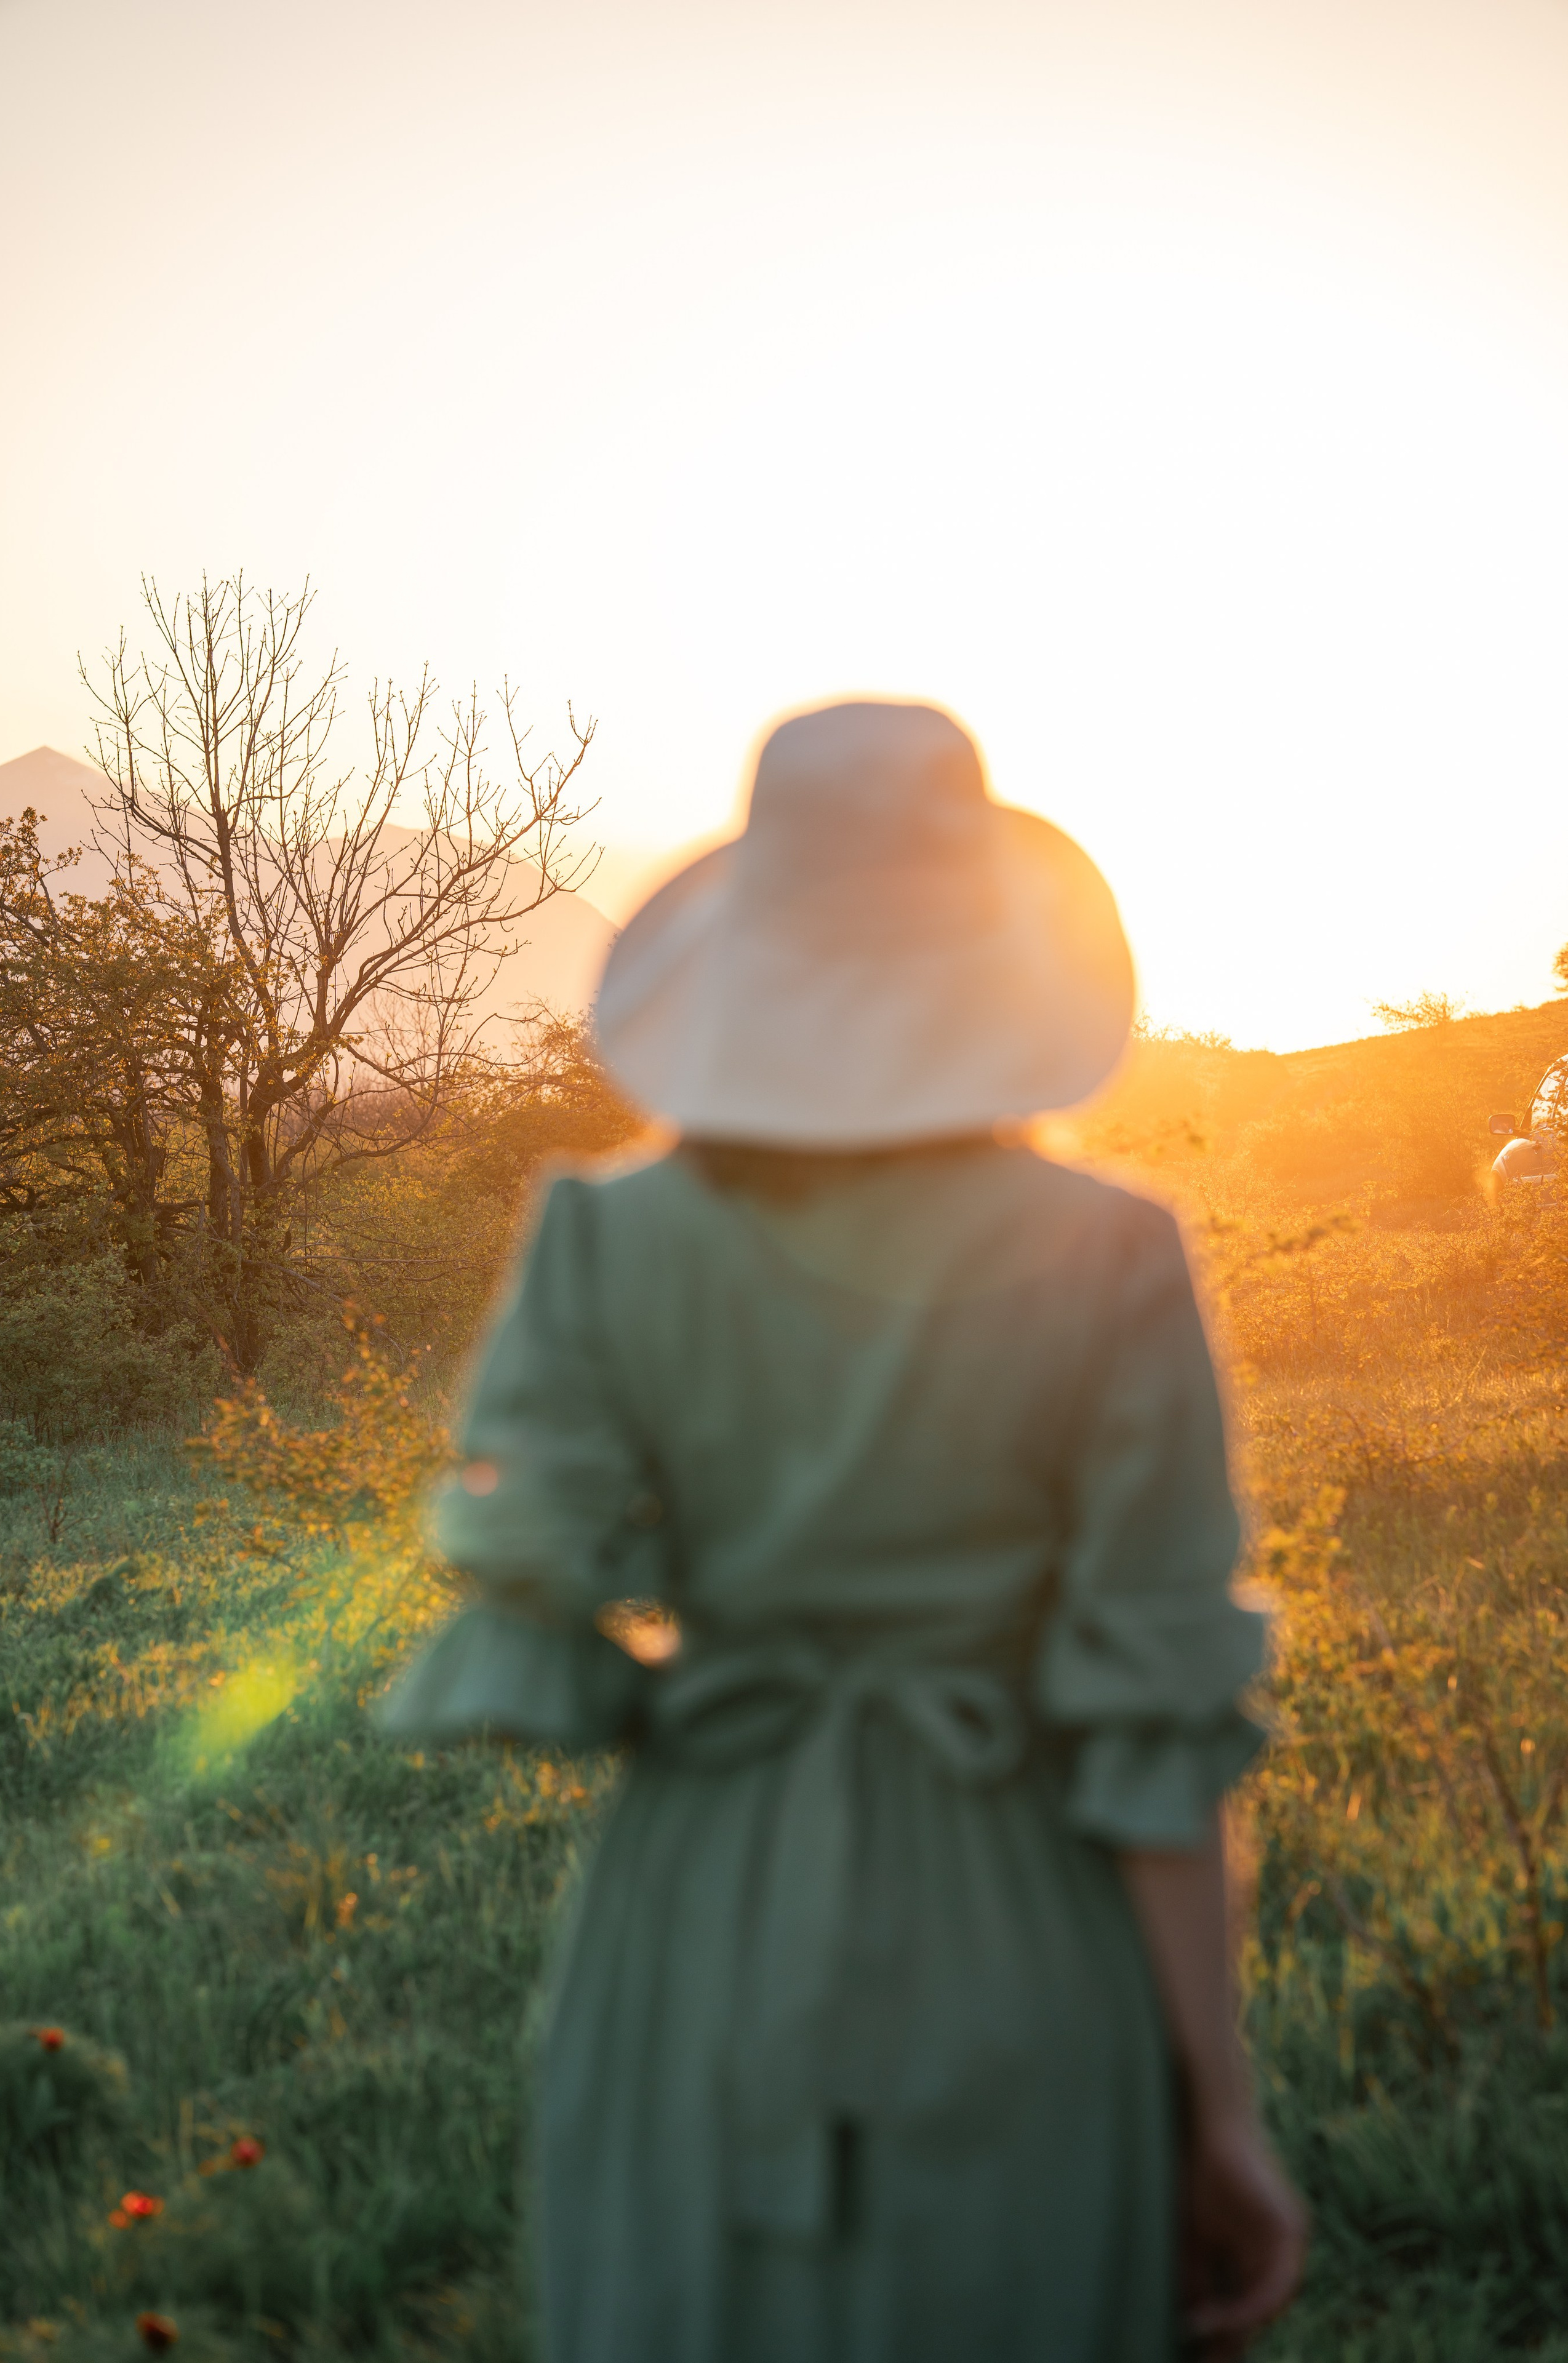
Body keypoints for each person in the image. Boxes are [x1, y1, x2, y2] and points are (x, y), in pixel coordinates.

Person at [383, 700, 1306, 2362]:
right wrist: (1216, 2112)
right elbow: (1157, 1722)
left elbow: (534, 1598)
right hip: (1021, 1909)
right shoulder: (1110, 1256)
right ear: (1000, 957)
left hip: (703, 1906)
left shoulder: (603, 1244)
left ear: (746, 961)